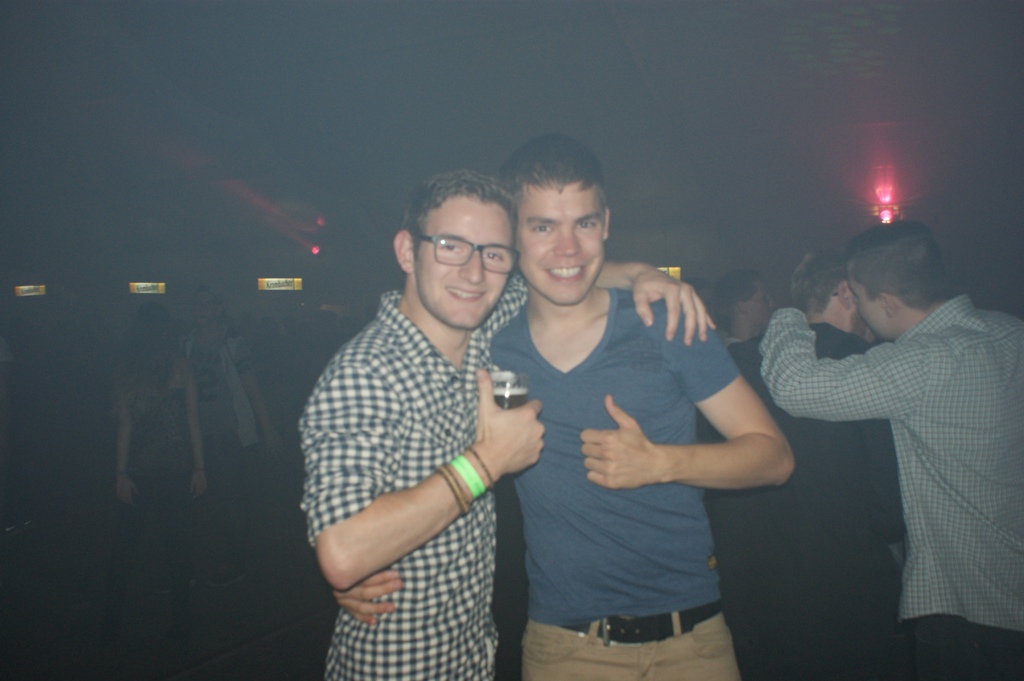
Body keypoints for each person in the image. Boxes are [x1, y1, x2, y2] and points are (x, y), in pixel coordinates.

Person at [300, 169, 710, 680]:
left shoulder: (484, 324)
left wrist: (641, 274)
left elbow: (563, 270)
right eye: (451, 246)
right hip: (395, 668)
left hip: (473, 656)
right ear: (407, 251)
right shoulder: (365, 375)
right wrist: (487, 462)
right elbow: (343, 552)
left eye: (493, 253)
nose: (474, 273)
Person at [488, 133, 792, 681]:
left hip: (692, 643)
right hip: (565, 651)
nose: (567, 248)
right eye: (543, 227)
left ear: (606, 223)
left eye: (583, 223)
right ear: (512, 234)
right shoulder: (494, 347)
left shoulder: (666, 323)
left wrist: (661, 463)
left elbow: (774, 458)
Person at [760, 222, 1024, 681]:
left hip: (973, 613)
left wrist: (788, 316)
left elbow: (795, 386)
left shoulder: (922, 362)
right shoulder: (1011, 334)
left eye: (860, 300)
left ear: (885, 302)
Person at [705, 250, 904, 680]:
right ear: (846, 294)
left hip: (753, 603)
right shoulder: (871, 367)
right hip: (846, 604)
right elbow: (891, 511)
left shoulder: (731, 366)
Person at [101, 302, 206, 641]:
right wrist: (199, 467)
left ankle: (111, 623)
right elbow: (192, 421)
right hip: (175, 466)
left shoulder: (128, 369)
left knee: (125, 547)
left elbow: (125, 426)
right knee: (176, 546)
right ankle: (183, 623)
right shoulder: (181, 366)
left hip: (141, 469)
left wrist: (121, 472)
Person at [183, 285, 280, 586]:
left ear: (218, 308)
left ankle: (237, 562)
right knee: (201, 500)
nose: (202, 308)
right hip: (196, 434)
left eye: (207, 303)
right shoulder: (187, 343)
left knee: (230, 500)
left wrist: (267, 430)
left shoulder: (232, 343)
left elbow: (252, 388)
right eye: (197, 303)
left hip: (228, 433)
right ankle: (204, 560)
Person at [712, 268, 774, 344]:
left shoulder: (770, 344)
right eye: (764, 299)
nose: (772, 304)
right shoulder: (732, 351)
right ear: (742, 307)